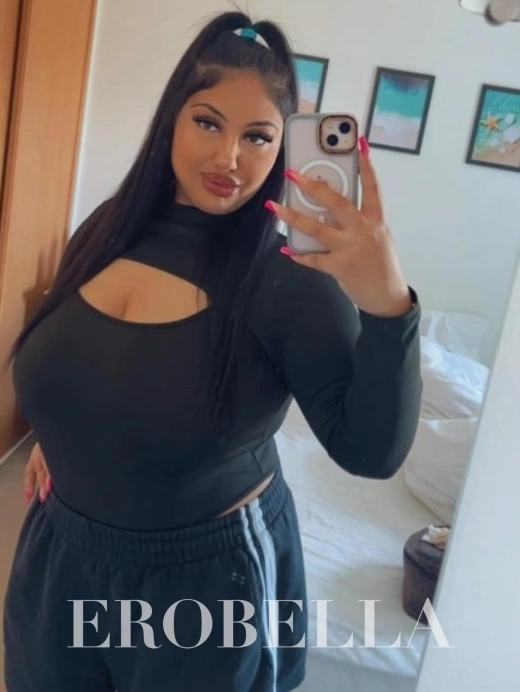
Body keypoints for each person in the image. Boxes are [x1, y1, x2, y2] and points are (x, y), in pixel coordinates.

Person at [2, 10, 422, 692]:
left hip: (201, 585)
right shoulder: (105, 230)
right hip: (59, 556)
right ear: (172, 118)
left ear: (281, 149)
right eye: (208, 122)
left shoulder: (289, 279)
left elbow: (372, 453)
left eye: (257, 136)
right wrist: (69, 432)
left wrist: (388, 305)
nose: (229, 157)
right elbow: (73, 357)